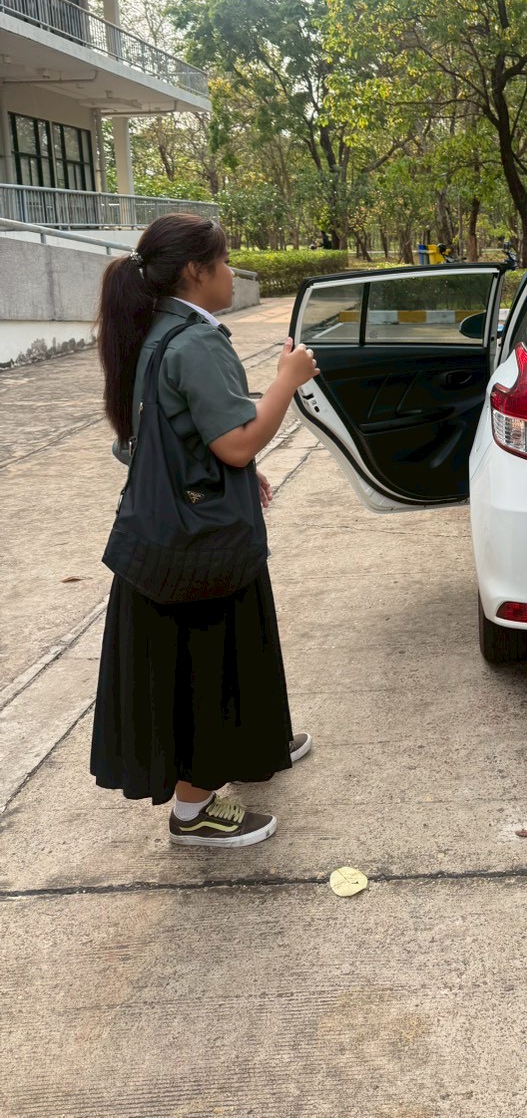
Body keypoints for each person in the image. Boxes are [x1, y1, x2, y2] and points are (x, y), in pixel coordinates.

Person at [90, 214, 320, 848]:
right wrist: (287, 381)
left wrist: (229, 467)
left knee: (226, 653)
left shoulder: (153, 331)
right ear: (196, 271)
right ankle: (193, 812)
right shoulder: (195, 342)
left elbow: (152, 439)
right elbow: (238, 443)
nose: (232, 273)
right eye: (224, 262)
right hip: (200, 546)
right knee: (208, 664)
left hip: (165, 536)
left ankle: (254, 744)